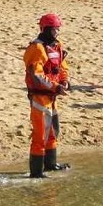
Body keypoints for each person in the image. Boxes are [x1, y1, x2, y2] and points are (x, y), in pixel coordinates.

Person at [23, 13, 71, 178]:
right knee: (40, 134)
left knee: (52, 130)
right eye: (55, 29)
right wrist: (56, 87)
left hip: (52, 97)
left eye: (58, 28)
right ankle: (36, 171)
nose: (57, 31)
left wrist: (64, 81)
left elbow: (62, 67)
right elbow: (37, 76)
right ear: (47, 29)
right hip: (40, 97)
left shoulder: (57, 46)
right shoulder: (37, 48)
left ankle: (51, 164)